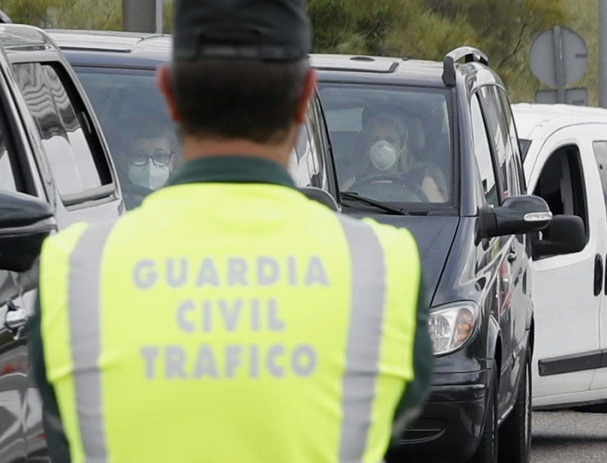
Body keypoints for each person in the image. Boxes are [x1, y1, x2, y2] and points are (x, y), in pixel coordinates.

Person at [28, 1, 433, 462]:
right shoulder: (384, 270)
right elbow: (392, 419)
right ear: (304, 96)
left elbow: (63, 434)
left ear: (169, 93)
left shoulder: (73, 270)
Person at [343, 106, 449, 202]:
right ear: (368, 144)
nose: (382, 145)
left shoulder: (423, 182)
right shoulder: (353, 183)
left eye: (390, 140)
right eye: (375, 139)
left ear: (401, 145)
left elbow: (439, 219)